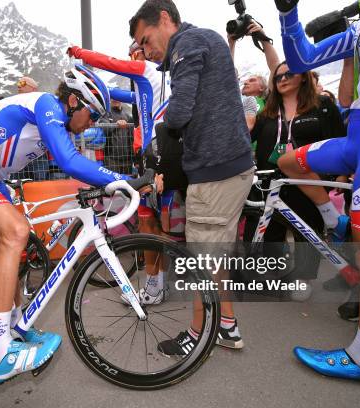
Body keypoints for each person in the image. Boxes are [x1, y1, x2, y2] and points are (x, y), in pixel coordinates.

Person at [0, 64, 160, 383]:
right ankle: (0, 352)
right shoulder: (47, 104)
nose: (92, 122)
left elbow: (72, 163)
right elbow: (69, 162)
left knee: (10, 249)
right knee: (16, 233)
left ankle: (15, 326)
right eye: (92, 114)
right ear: (74, 102)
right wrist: (125, 180)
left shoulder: (56, 120)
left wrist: (114, 181)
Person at [274, 0, 360, 383]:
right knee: (289, 164)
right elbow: (302, 58)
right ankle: (336, 220)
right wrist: (288, 14)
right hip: (357, 138)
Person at [129, 0, 255, 352]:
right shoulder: (200, 42)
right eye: (139, 46)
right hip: (227, 168)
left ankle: (199, 335)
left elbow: (179, 112)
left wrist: (164, 135)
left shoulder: (188, 43)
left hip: (216, 172)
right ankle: (226, 326)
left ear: (166, 19)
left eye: (146, 39)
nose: (145, 50)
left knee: (202, 261)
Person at [67, 43, 173, 305]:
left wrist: (79, 54)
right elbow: (110, 92)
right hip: (154, 154)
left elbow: (108, 62)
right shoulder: (146, 86)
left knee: (150, 226)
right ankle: (160, 283)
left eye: (137, 47)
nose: (131, 55)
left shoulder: (148, 69)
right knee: (158, 226)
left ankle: (153, 287)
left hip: (154, 155)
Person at [250, 61, 346, 301]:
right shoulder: (267, 113)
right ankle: (272, 274)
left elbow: (338, 141)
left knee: (307, 228)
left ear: (303, 77)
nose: (282, 79)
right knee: (270, 230)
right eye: (278, 77)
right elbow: (248, 137)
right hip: (270, 180)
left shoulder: (322, 106)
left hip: (309, 180)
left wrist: (341, 176)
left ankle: (303, 278)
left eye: (289, 74)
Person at [228, 21, 281, 114]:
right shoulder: (235, 99)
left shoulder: (269, 101)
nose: (245, 82)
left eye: (252, 80)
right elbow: (227, 74)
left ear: (262, 87)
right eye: (247, 80)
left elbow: (275, 66)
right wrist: (231, 43)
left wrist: (263, 37)